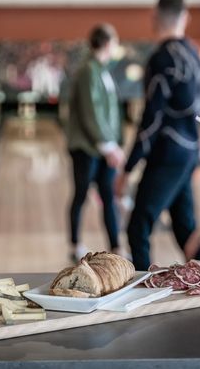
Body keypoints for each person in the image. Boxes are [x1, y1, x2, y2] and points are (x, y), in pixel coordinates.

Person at [119, 0, 200, 271]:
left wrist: (128, 168)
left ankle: (143, 293)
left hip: (167, 154)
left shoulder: (161, 58)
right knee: (185, 227)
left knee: (137, 227)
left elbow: (151, 120)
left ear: (153, 17)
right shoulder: (195, 54)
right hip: (190, 151)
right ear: (185, 17)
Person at [65, 24, 125, 261]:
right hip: (86, 148)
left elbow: (108, 112)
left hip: (103, 148)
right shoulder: (88, 70)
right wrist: (109, 146)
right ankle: (75, 244)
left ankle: (117, 246)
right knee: (81, 194)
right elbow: (92, 112)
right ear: (108, 42)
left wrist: (114, 144)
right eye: (116, 41)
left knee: (108, 196)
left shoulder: (101, 70)